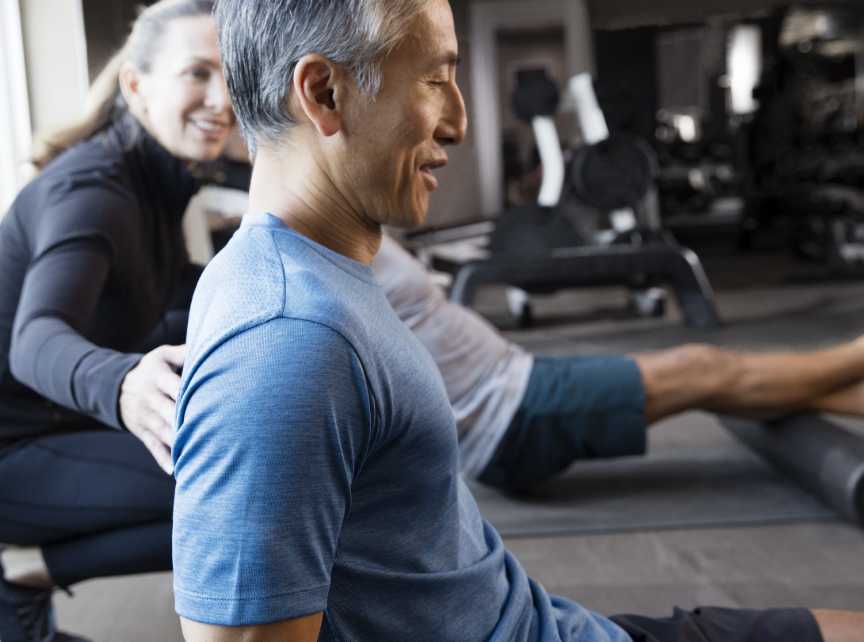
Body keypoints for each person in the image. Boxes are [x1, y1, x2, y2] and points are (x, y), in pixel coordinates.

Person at [172, 1, 864, 640]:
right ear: (324, 93)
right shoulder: (289, 340)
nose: (460, 122)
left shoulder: (311, 283)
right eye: (434, 80)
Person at [0, 1, 233, 640]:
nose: (221, 97)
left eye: (231, 75)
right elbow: (35, 339)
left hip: (52, 429)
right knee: (240, 482)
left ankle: (29, 572)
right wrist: (125, 384)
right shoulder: (94, 193)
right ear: (137, 85)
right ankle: (27, 565)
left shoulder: (156, 182)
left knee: (255, 465)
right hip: (10, 450)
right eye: (197, 73)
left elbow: (167, 300)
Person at [373, 235, 864, 489]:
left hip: (520, 383)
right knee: (703, 369)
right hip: (515, 415)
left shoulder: (335, 211)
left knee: (715, 381)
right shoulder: (304, 230)